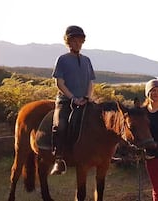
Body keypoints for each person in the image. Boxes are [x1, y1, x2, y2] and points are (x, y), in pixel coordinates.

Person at [50, 25, 95, 175]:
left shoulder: (87, 60)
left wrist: (87, 97)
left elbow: (90, 82)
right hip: (66, 100)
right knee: (60, 125)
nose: (77, 44)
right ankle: (59, 159)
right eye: (74, 41)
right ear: (68, 42)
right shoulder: (62, 60)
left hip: (85, 100)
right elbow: (59, 83)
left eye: (80, 41)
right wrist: (73, 99)